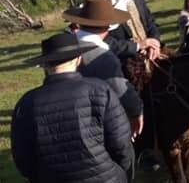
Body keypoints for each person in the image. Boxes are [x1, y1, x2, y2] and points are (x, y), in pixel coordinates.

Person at [12, 32, 135, 183]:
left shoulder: (26, 103)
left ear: (45, 65)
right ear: (78, 60)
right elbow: (121, 144)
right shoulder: (101, 91)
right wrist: (120, 174)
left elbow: (23, 160)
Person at [65, 0, 144, 138]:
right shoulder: (105, 57)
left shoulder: (63, 49)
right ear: (107, 27)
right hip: (99, 126)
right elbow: (120, 90)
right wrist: (137, 111)